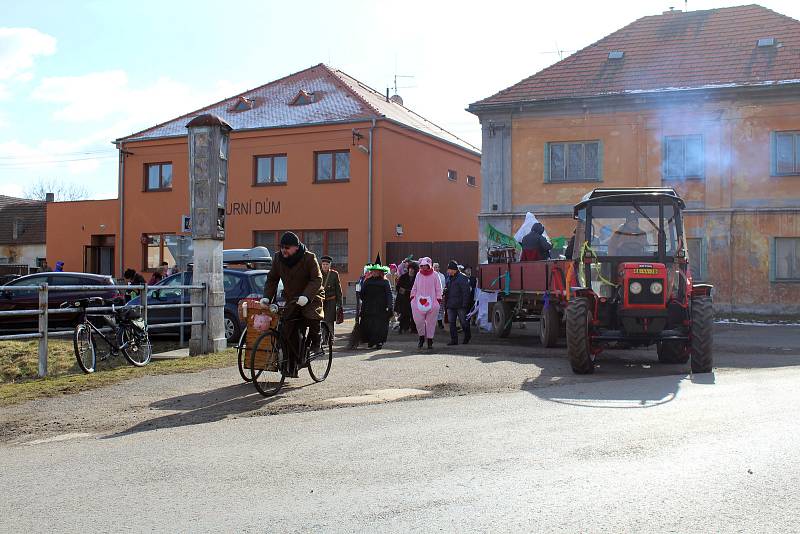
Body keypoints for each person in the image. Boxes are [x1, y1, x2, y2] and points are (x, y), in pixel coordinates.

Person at [261, 231, 324, 378]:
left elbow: (317, 279)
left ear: (296, 247)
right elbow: (272, 279)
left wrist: (306, 296)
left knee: (311, 315)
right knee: (287, 329)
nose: (284, 250)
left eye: (287, 247)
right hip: (291, 298)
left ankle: (316, 341)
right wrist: (266, 298)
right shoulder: (278, 258)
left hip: (312, 295)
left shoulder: (309, 257)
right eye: (282, 247)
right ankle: (290, 365)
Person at [410, 257, 443, 350]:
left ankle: (429, 340)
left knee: (431, 323)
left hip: (432, 303)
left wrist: (438, 300)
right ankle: (421, 337)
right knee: (419, 321)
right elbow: (414, 287)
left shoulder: (435, 275)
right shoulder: (418, 275)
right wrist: (412, 298)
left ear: (429, 265)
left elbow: (438, 288)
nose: (424, 267)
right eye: (422, 265)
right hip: (418, 302)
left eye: (425, 265)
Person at [359, 264, 393, 349]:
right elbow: (362, 293)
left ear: (380, 272)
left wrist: (390, 306)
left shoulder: (385, 282)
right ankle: (371, 341)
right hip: (368, 307)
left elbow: (389, 295)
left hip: (381, 307)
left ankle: (379, 342)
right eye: (373, 271)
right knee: (368, 324)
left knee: (379, 325)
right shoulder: (367, 281)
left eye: (376, 271)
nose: (374, 273)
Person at [445, 261, 472, 346]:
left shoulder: (462, 278)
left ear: (453, 270)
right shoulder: (449, 278)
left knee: (463, 322)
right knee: (452, 322)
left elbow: (466, 292)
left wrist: (465, 304)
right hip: (451, 304)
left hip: (460, 305)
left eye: (449, 269)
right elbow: (448, 288)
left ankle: (467, 336)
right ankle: (454, 340)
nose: (448, 271)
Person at [320, 255, 343, 336]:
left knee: (329, 321)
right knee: (321, 320)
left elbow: (338, 290)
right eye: (323, 264)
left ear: (330, 265)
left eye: (327, 264)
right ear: (321, 265)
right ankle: (322, 338)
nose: (325, 266)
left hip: (331, 301)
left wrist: (339, 304)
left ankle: (331, 337)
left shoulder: (334, 274)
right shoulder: (317, 273)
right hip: (320, 301)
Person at [394, 261, 417, 334]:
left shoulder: (417, 277)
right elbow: (398, 288)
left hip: (413, 299)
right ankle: (402, 328)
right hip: (403, 299)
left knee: (414, 314)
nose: (411, 270)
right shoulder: (403, 277)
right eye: (410, 268)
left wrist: (407, 291)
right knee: (404, 314)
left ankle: (413, 329)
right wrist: (405, 291)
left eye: (413, 269)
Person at [433, 263, 447, 330]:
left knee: (440, 309)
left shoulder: (442, 276)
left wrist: (443, 293)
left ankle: (440, 323)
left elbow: (444, 285)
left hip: (440, 295)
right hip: (432, 296)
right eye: (435, 267)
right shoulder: (431, 275)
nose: (437, 268)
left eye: (438, 267)